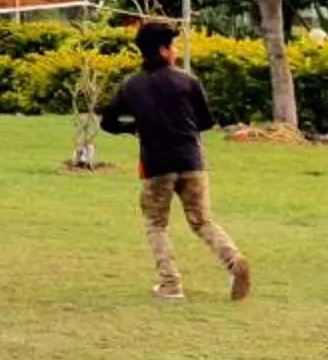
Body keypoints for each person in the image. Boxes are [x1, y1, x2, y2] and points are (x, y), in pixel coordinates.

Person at [99, 19, 250, 302]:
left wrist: (134, 127)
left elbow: (108, 122)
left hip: (156, 165)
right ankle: (233, 260)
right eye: (173, 46)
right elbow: (206, 121)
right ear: (163, 50)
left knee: (156, 224)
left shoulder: (132, 85)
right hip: (192, 161)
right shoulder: (187, 81)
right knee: (202, 221)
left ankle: (170, 284)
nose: (176, 50)